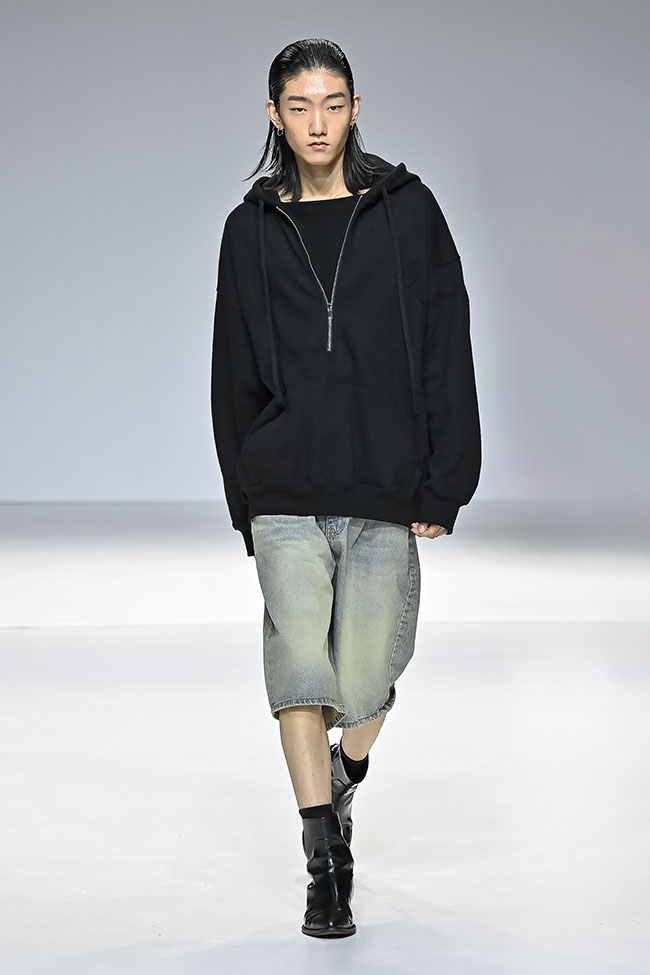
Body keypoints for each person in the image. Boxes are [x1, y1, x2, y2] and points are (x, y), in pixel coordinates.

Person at [210, 37, 481, 938]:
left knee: (366, 676)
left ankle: (346, 768)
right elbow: (231, 370)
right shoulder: (249, 230)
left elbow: (446, 341)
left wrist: (447, 478)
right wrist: (244, 495)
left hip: (382, 480)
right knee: (299, 665)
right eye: (300, 107)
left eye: (333, 104)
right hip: (285, 482)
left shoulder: (409, 211)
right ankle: (325, 859)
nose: (317, 123)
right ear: (274, 115)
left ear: (356, 108)